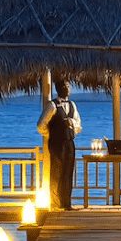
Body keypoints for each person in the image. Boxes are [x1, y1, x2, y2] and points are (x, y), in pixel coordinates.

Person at [37, 79, 82, 211]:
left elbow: (78, 124)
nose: (67, 88)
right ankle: (55, 203)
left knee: (68, 172)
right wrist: (52, 134)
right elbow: (41, 125)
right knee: (57, 172)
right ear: (58, 89)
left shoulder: (72, 105)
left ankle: (66, 203)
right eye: (65, 86)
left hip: (69, 142)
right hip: (57, 143)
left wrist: (71, 125)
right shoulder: (52, 105)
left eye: (68, 86)